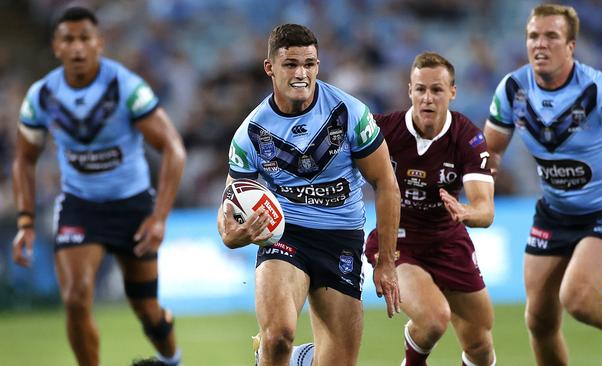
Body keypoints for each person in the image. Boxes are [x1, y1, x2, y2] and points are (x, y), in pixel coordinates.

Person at [217, 23, 401, 366]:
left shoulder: (350, 114)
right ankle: (272, 352)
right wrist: (230, 235)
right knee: (277, 336)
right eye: (290, 65)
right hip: (285, 234)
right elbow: (230, 201)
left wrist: (387, 261)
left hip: (341, 238)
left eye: (310, 64)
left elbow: (386, 183)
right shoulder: (251, 133)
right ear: (269, 68)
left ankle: (303, 359)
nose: (301, 73)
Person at [11, 7, 186, 366]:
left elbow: (174, 149)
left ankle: (171, 361)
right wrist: (26, 222)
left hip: (132, 207)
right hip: (80, 206)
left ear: (99, 44)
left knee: (147, 311)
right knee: (76, 298)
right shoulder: (42, 96)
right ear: (55, 46)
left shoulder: (126, 88)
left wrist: (159, 218)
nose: (77, 48)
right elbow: (23, 159)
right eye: (68, 39)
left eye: (84, 39)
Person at [484, 4, 602, 366]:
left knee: (577, 297)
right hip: (555, 213)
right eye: (533, 36)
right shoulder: (512, 89)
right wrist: (480, 186)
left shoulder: (600, 89)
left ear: (571, 46)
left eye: (551, 37)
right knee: (539, 320)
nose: (539, 44)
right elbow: (490, 151)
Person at [365, 52, 497, 366]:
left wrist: (467, 213)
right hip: (397, 240)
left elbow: (485, 210)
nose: (427, 98)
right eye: (420, 89)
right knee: (434, 319)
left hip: (448, 241)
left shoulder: (468, 138)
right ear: (409, 90)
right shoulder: (382, 131)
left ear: (452, 92)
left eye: (436, 90)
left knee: (480, 343)